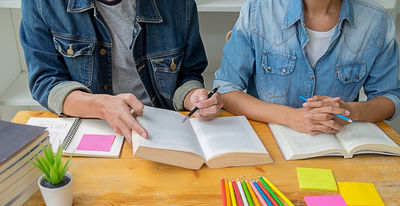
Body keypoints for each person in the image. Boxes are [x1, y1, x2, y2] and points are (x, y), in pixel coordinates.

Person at [20, 0, 223, 143]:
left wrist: (193, 98)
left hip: (161, 129)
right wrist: (101, 106)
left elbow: (189, 73)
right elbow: (45, 81)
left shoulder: (179, 4)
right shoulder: (42, 3)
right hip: (91, 126)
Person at [214, 0, 400, 135]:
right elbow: (226, 90)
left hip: (337, 144)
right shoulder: (258, 10)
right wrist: (290, 117)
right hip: (268, 140)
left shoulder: (377, 20)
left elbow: (389, 98)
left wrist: (349, 111)